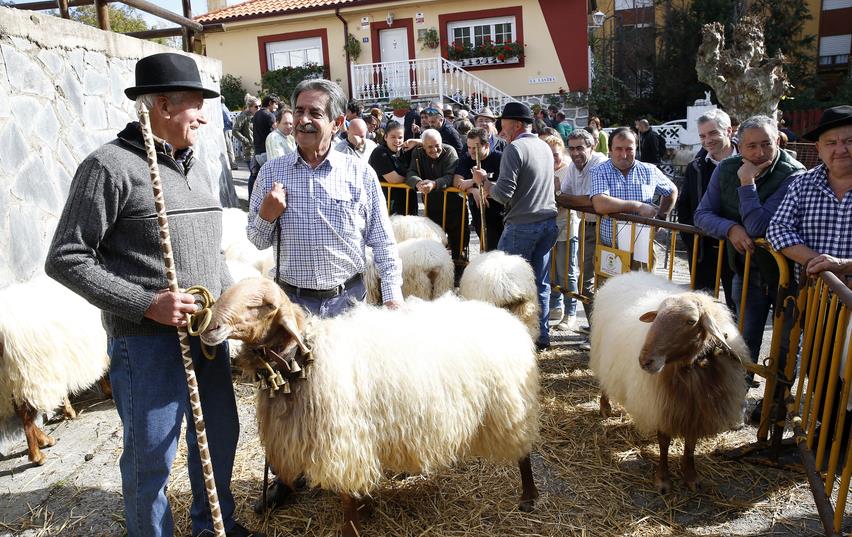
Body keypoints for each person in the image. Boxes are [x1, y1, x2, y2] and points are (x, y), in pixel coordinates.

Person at [44, 52, 261, 537]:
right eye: (195, 105)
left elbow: (209, 254)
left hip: (207, 340)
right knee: (151, 461)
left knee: (221, 439)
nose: (205, 116)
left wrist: (235, 313)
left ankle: (213, 527)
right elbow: (65, 257)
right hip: (145, 346)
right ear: (162, 106)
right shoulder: (108, 167)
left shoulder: (196, 167)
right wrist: (146, 303)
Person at [247, 78, 403, 510]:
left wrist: (392, 297)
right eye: (299, 112)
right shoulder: (272, 172)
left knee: (348, 397)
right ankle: (287, 478)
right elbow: (256, 240)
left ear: (336, 122)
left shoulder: (360, 173)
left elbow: (384, 243)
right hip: (292, 305)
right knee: (285, 396)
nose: (304, 120)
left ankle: (353, 480)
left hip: (346, 303)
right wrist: (266, 214)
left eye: (315, 113)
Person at [693, 115, 805, 373]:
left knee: (786, 344)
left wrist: (747, 182)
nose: (759, 152)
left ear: (778, 140)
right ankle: (738, 404)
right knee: (743, 340)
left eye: (766, 144)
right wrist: (730, 228)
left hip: (788, 275)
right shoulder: (725, 169)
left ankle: (776, 404)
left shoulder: (794, 174)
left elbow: (758, 226)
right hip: (745, 270)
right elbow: (702, 214)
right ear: (739, 146)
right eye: (751, 146)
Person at [766, 105, 852, 438]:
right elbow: (778, 229)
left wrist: (843, 264)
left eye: (847, 141)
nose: (840, 149)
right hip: (819, 298)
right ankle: (829, 435)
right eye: (831, 142)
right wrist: (819, 261)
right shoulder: (803, 183)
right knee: (819, 367)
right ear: (818, 148)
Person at [473, 102, 558, 351]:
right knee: (540, 283)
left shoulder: (514, 148)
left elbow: (503, 194)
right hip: (547, 222)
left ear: (517, 124)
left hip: (522, 224)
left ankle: (509, 340)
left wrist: (484, 182)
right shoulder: (543, 145)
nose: (500, 130)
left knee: (506, 284)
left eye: (504, 124)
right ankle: (541, 336)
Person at [676, 108, 736, 311]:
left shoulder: (748, 161)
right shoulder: (696, 166)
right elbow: (684, 205)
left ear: (728, 131)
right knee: (702, 307)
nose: (707, 140)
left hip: (737, 248)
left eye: (713, 133)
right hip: (703, 249)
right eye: (702, 136)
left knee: (737, 307)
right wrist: (692, 241)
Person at [556, 129, 607, 343]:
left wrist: (568, 198)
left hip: (606, 227)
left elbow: (593, 202)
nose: (576, 152)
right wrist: (570, 198)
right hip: (586, 225)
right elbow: (564, 196)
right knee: (586, 280)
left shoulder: (599, 163)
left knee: (602, 281)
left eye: (580, 148)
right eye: (572, 148)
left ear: (592, 146)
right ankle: (596, 330)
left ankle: (602, 333)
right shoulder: (573, 168)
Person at [590, 127, 678, 250]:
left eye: (629, 149)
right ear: (610, 150)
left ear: (636, 149)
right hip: (610, 249)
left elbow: (672, 191)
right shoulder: (599, 170)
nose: (624, 155)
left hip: (643, 247)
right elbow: (600, 203)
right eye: (618, 149)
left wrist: (661, 218)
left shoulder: (649, 170)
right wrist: (638, 206)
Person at [406, 129, 466, 277]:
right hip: (432, 207)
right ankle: (437, 276)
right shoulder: (418, 153)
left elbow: (450, 176)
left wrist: (434, 184)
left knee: (458, 243)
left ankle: (458, 275)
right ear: (423, 146)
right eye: (430, 147)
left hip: (454, 206)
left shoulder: (450, 151)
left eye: (437, 145)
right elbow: (411, 172)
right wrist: (418, 183)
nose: (435, 150)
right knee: (434, 243)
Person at [543, 134, 577, 331]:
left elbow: (569, 197)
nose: (553, 158)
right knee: (551, 269)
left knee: (567, 271)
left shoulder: (569, 170)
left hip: (567, 225)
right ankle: (555, 305)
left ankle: (570, 312)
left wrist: (557, 194)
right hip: (549, 225)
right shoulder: (544, 170)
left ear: (562, 152)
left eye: (556, 154)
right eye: (549, 155)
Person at [452, 127, 504, 252]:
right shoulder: (466, 159)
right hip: (478, 210)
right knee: (485, 248)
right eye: (469, 147)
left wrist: (482, 182)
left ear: (486, 145)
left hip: (500, 212)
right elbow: (457, 182)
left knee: (498, 249)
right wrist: (474, 188)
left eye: (475, 148)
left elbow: (504, 184)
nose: (471, 152)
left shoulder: (500, 158)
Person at [369, 120, 419, 215]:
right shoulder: (380, 153)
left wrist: (416, 141)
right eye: (393, 137)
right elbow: (394, 180)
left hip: (408, 204)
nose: (397, 140)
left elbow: (431, 143)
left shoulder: (403, 150)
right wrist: (415, 179)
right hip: (389, 207)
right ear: (385, 137)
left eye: (400, 137)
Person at [249, 94, 280, 197]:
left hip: (257, 152)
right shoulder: (269, 115)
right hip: (267, 152)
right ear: (270, 103)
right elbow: (279, 131)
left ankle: (254, 199)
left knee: (258, 178)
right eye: (276, 104)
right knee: (273, 179)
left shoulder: (257, 114)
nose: (277, 107)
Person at [232, 93, 259, 163]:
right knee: (253, 172)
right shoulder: (243, 116)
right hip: (250, 151)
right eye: (256, 107)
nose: (259, 108)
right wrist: (246, 141)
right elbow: (235, 131)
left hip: (258, 150)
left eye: (260, 106)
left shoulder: (257, 115)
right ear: (250, 107)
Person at [221, 97, 237, 170]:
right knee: (228, 146)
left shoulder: (222, 108)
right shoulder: (224, 107)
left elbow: (228, 120)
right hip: (227, 129)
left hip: (226, 129)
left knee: (228, 147)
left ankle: (233, 164)